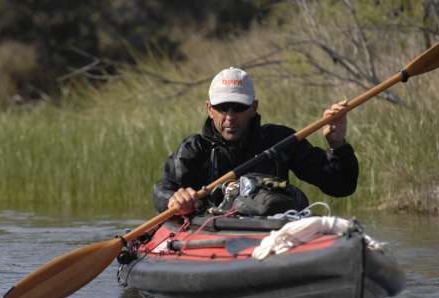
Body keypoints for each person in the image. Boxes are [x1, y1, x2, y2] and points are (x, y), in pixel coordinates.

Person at [153, 67, 358, 215]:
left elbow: (340, 186)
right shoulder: (193, 150)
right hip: (210, 237)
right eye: (223, 108)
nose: (230, 117)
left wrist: (337, 145)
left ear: (254, 107)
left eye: (239, 108)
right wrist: (174, 199)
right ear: (209, 108)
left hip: (272, 238)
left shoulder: (280, 141)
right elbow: (163, 189)